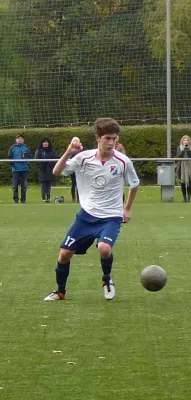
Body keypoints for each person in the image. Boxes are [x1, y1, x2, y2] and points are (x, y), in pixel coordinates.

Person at [43, 117, 140, 301]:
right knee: (64, 254)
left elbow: (134, 184)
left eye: (114, 138)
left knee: (104, 248)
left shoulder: (123, 161)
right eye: (107, 139)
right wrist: (69, 151)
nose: (111, 143)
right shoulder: (83, 158)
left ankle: (107, 280)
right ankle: (60, 292)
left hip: (111, 216)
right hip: (86, 215)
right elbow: (56, 172)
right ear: (98, 138)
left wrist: (126, 209)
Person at [7, 134, 31, 203]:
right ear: (16, 140)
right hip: (15, 170)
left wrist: (27, 163)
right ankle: (16, 199)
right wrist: (13, 165)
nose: (20, 139)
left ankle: (23, 199)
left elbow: (29, 156)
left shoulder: (26, 147)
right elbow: (9, 157)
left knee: (24, 186)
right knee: (15, 186)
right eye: (18, 138)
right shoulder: (12, 148)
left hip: (24, 169)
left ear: (23, 140)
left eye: (21, 138)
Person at [34, 137, 57, 203]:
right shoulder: (39, 150)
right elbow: (36, 159)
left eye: (46, 142)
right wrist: (41, 165)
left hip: (49, 169)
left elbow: (54, 158)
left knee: (49, 184)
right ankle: (44, 198)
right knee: (43, 184)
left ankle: (48, 197)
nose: (45, 143)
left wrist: (50, 164)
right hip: (42, 169)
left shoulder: (51, 150)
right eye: (44, 142)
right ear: (42, 143)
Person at [176, 135, 191, 202]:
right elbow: (179, 156)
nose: (186, 141)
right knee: (183, 182)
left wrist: (188, 150)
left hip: (189, 165)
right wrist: (183, 149)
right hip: (182, 166)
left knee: (189, 181)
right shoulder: (179, 147)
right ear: (182, 141)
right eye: (184, 140)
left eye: (187, 140)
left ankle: (189, 197)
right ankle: (184, 198)